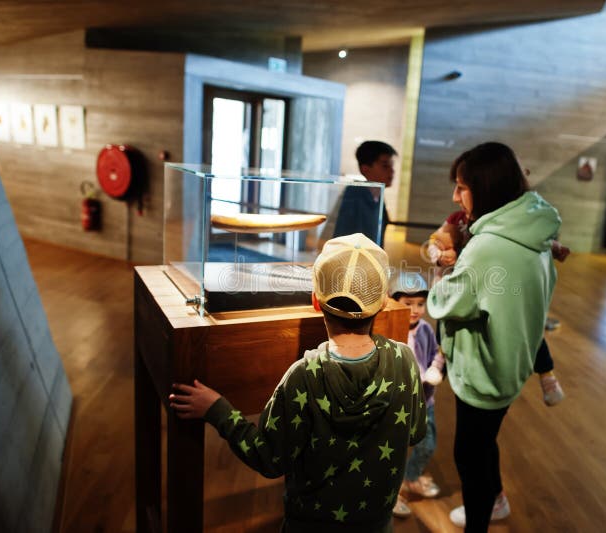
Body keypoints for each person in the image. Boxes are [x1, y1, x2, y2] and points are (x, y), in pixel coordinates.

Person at [169, 233, 427, 533]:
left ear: (315, 301)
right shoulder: (404, 360)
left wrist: (218, 410)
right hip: (377, 524)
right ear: (383, 301)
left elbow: (268, 458)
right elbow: (416, 431)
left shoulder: (302, 375)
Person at [428, 142, 561, 531]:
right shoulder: (534, 232)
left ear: (484, 188)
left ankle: (481, 520)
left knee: (469, 456)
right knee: (483, 444)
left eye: (462, 186)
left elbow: (445, 304)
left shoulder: (487, 247)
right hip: (512, 360)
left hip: (484, 370)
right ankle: (497, 498)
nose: (455, 196)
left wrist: (441, 279)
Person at [427, 210, 567, 406]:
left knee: (530, 330)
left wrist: (554, 247)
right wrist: (440, 254)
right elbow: (436, 241)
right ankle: (439, 360)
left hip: (497, 283)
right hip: (461, 284)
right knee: (448, 320)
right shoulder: (457, 220)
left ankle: (547, 374)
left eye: (461, 188)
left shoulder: (502, 222)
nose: (456, 196)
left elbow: (528, 238)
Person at [386, 272, 445, 519]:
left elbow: (437, 353)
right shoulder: (389, 329)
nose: (415, 309)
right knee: (391, 452)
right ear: (394, 300)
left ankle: (410, 477)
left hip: (424, 401)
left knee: (428, 443)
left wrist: (435, 368)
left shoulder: (426, 330)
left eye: (420, 304)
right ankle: (388, 496)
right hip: (396, 405)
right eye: (408, 303)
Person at [333, 141, 397, 246]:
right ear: (365, 168)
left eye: (391, 165)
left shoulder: (378, 195)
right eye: (385, 166)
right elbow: (342, 235)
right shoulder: (354, 195)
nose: (392, 171)